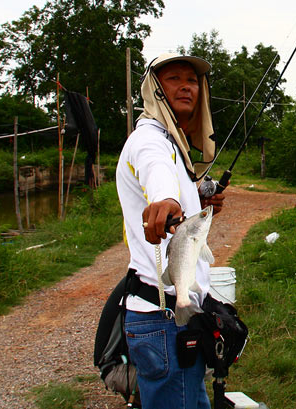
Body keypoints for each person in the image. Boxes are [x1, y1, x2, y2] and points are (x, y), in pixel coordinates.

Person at [116, 52, 226, 409]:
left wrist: (195, 201)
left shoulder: (174, 143)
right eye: (173, 79)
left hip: (178, 318)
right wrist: (165, 201)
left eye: (191, 80)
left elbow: (175, 187)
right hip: (163, 323)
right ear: (154, 89)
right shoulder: (149, 140)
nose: (185, 87)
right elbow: (155, 171)